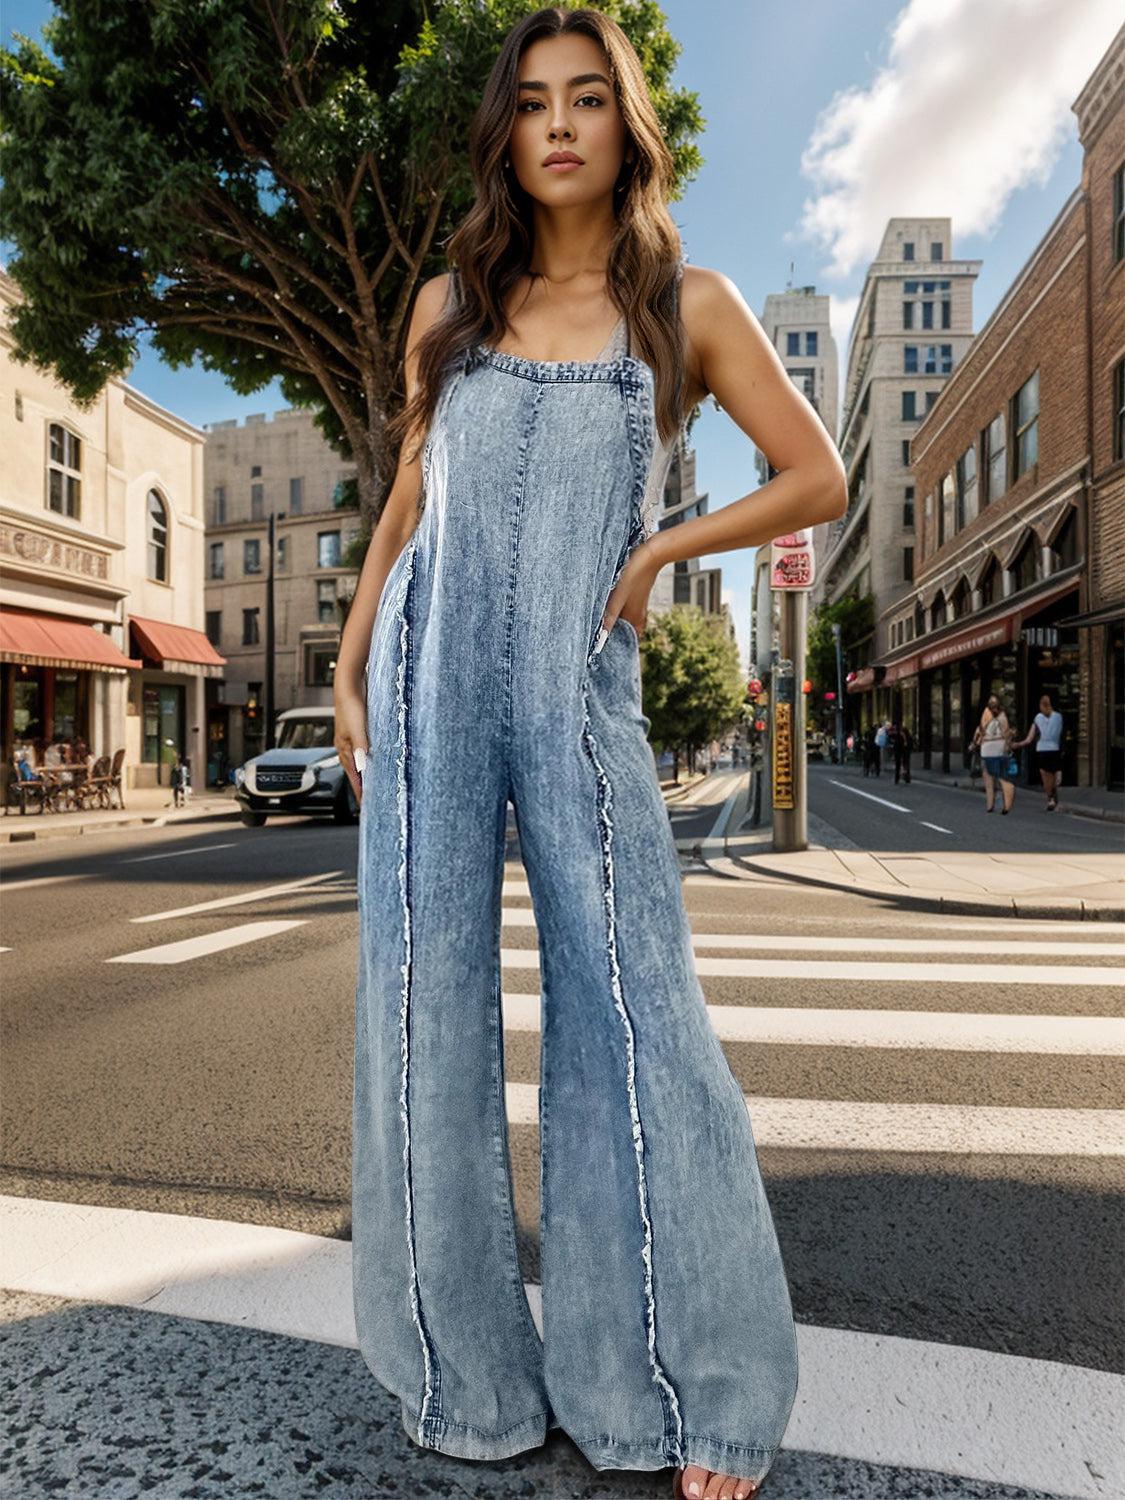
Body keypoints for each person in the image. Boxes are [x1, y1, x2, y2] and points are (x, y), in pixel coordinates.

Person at [333, 11, 846, 1497]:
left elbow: (814, 472)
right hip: (429, 668)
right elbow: (411, 493)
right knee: (421, 1011)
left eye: (588, 100)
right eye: (534, 103)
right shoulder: (449, 302)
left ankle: (682, 1390)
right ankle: (461, 1377)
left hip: (579, 679)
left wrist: (664, 551)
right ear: (505, 133)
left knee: (636, 1009)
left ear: (627, 128)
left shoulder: (686, 304)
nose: (559, 126)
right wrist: (354, 659)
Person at [1012, 693, 1064, 811]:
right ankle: (1053, 793)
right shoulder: (1058, 717)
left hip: (1042, 750)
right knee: (1051, 775)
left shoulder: (1038, 718)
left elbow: (1029, 738)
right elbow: (1061, 733)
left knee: (1045, 776)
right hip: (1055, 749)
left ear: (1041, 705)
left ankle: (1050, 798)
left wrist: (1018, 744)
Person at [970, 693, 1016, 814]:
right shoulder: (1002, 716)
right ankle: (1000, 803)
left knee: (989, 778)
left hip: (988, 749)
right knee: (998, 777)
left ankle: (991, 804)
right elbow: (1006, 734)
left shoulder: (987, 715)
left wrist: (974, 743)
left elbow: (979, 731)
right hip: (996, 749)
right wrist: (1008, 746)